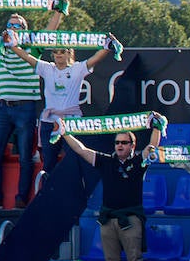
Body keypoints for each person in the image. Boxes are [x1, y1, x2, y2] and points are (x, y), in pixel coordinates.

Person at [0, 0, 65, 208]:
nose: (12, 28)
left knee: (25, 156)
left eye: (17, 25)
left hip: (25, 107)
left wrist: (59, 10)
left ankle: (21, 199)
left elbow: (51, 28)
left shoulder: (33, 46)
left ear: (24, 30)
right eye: (10, 24)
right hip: (3, 108)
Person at [57, 116, 165, 261]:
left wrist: (157, 128)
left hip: (130, 217)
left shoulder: (138, 161)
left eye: (124, 142)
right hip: (107, 218)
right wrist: (65, 134)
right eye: (117, 142)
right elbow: (82, 150)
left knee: (135, 259)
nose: (120, 145)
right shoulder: (106, 161)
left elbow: (152, 147)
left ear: (132, 145)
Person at [8, 37, 113, 180]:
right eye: (55, 51)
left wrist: (107, 45)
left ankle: (74, 197)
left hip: (72, 123)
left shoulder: (77, 68)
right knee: (49, 163)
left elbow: (95, 58)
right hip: (49, 122)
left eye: (62, 51)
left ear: (69, 53)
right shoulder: (47, 68)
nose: (58, 54)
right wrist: (12, 45)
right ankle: (49, 196)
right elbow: (27, 57)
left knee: (74, 160)